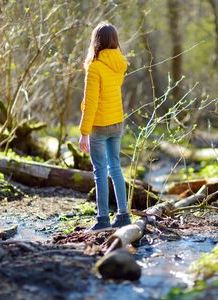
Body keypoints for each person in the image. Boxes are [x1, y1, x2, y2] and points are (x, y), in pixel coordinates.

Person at [78, 22, 131, 231]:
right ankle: (123, 216)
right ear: (114, 41)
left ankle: (102, 220)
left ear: (96, 41)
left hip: (99, 126)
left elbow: (91, 102)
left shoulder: (95, 67)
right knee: (115, 167)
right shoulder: (119, 65)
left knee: (100, 171)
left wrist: (84, 132)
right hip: (117, 122)